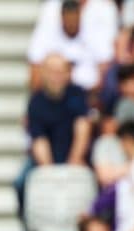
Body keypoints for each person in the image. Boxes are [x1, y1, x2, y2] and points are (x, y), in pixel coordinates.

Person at [19, 55, 92, 210]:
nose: (56, 77)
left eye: (60, 72)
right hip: (45, 159)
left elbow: (83, 127)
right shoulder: (36, 102)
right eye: (52, 72)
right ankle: (28, 224)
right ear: (43, 73)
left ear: (68, 73)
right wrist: (48, 169)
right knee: (20, 183)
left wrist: (75, 158)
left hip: (76, 154)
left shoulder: (77, 94)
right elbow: (39, 139)